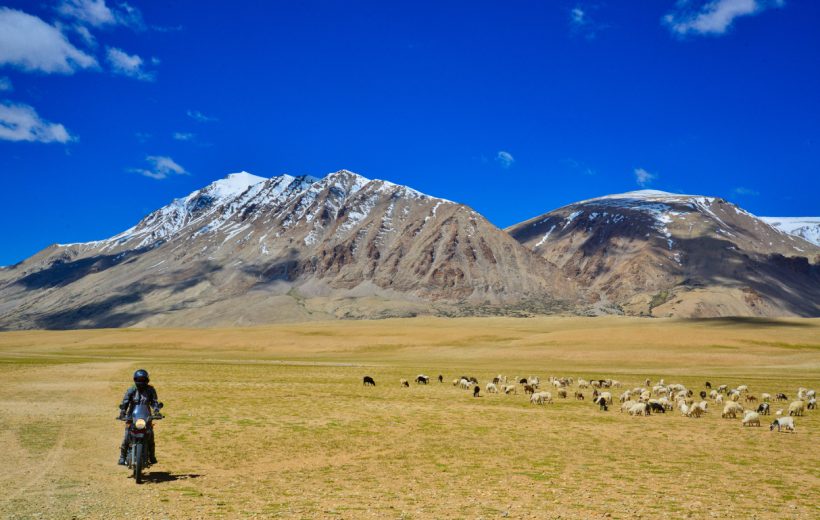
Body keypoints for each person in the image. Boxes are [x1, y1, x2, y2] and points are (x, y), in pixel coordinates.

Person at [118, 369, 162, 465]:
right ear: (135, 379)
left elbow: (154, 402)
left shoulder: (150, 390)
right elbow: (125, 402)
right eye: (139, 379)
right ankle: (122, 456)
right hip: (132, 417)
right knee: (126, 437)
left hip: (146, 417)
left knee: (150, 437)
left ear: (147, 380)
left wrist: (157, 411)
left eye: (143, 379)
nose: (141, 382)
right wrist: (122, 412)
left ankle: (152, 456)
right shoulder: (131, 390)